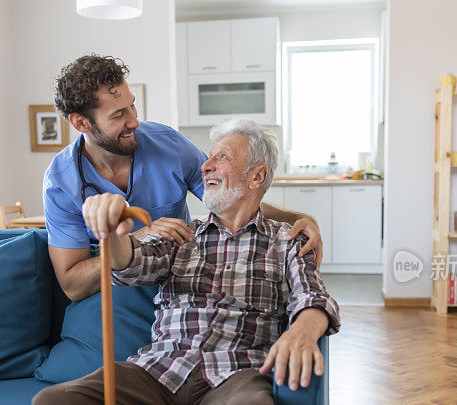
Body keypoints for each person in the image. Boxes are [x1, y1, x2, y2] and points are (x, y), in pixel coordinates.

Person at [20, 118, 340, 405]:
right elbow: (128, 261)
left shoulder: (286, 241)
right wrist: (112, 231)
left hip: (235, 374)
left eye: (222, 157)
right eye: (208, 157)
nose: (206, 166)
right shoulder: (179, 236)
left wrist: (301, 331)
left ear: (257, 175)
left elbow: (313, 297)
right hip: (157, 372)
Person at [43, 54, 324, 301]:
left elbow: (234, 200)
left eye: (132, 106)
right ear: (81, 123)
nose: (134, 121)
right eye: (119, 115)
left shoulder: (168, 145)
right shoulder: (61, 182)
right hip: (107, 291)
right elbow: (73, 286)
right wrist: (136, 239)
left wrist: (296, 219)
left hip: (172, 280)